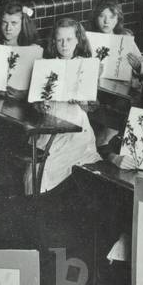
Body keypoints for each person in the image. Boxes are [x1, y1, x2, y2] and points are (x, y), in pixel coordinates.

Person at [27, 18, 102, 193]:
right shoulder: (46, 65)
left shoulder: (85, 65)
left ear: (78, 40)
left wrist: (83, 101)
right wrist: (41, 105)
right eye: (59, 40)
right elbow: (36, 103)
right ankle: (39, 202)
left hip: (76, 127)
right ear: (54, 41)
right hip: (50, 122)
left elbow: (92, 106)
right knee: (36, 168)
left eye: (69, 40)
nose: (64, 45)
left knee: (52, 165)